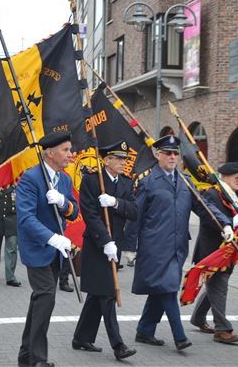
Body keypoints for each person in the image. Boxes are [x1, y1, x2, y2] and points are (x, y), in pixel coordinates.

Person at [127, 135, 233, 351]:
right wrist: (129, 245)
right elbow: (135, 215)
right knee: (168, 288)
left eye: (175, 153)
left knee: (161, 288)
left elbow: (204, 206)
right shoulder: (147, 182)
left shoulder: (186, 181)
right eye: (167, 153)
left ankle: (145, 331)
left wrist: (225, 224)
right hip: (154, 246)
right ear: (158, 155)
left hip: (178, 247)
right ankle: (179, 336)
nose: (172, 157)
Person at [16, 131, 79, 367]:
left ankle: (25, 356)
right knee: (46, 298)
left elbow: (74, 212)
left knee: (39, 301)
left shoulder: (64, 180)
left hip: (56, 252)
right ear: (50, 153)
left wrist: (64, 203)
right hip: (37, 249)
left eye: (70, 150)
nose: (70, 155)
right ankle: (37, 359)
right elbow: (26, 219)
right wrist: (53, 238)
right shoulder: (31, 178)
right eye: (65, 150)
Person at [72, 141, 137, 361]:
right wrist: (105, 241)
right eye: (118, 158)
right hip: (97, 245)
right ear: (106, 160)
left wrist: (115, 203)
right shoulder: (91, 180)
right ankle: (118, 345)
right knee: (108, 294)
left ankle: (81, 337)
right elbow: (89, 215)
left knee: (98, 294)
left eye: (124, 159)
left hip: (114, 247)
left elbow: (134, 211)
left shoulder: (126, 184)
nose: (122, 162)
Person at [190, 162, 238, 343]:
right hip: (213, 251)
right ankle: (222, 329)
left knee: (215, 288)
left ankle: (198, 318)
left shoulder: (232, 196)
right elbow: (209, 220)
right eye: (235, 177)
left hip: (228, 251)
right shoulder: (212, 194)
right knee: (219, 287)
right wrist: (230, 222)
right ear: (223, 177)